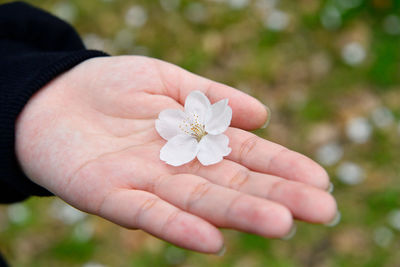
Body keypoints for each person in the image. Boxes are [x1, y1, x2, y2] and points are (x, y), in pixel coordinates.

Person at [0, 1, 337, 265]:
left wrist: (27, 91)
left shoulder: (209, 127)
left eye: (196, 124)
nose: (194, 126)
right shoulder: (183, 133)